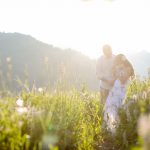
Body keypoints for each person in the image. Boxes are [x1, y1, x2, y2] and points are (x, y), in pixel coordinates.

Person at [103, 54, 134, 133]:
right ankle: (111, 128)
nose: (117, 64)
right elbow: (115, 78)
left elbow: (123, 79)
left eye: (117, 62)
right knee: (111, 110)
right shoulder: (119, 68)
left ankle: (117, 130)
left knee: (119, 109)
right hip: (115, 92)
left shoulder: (127, 68)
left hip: (121, 92)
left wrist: (120, 70)